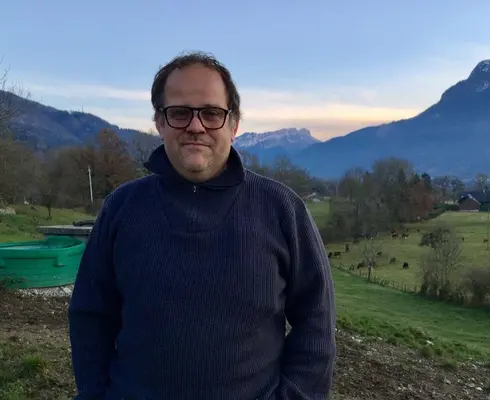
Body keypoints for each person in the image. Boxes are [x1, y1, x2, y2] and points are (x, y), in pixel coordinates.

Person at [68, 51, 337, 400]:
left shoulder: (282, 210)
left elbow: (316, 322)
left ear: (233, 124)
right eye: (180, 113)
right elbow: (90, 316)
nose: (196, 126)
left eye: (211, 113)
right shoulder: (122, 208)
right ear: (160, 122)